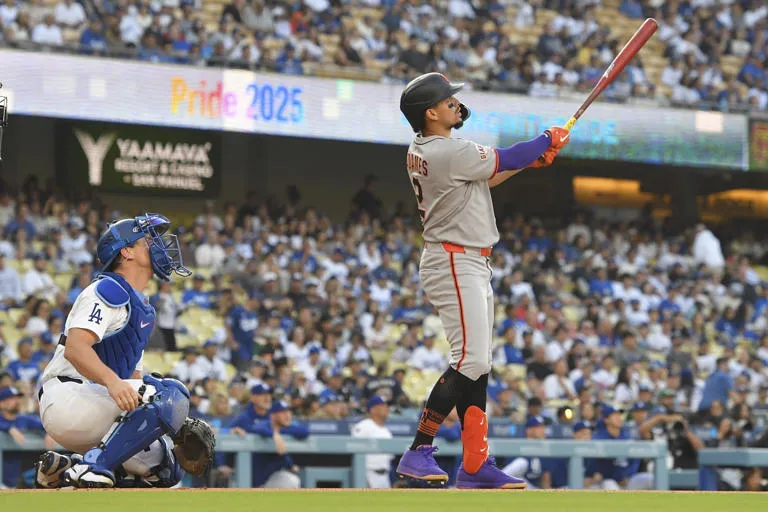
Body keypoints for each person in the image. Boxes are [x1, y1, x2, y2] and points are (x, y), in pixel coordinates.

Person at [394, 73, 568, 490]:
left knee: (478, 364)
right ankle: (418, 450)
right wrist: (546, 139)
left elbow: (486, 176)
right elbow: (506, 156)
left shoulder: (430, 148)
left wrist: (531, 160)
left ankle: (475, 464)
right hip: (455, 260)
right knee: (470, 361)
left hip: (463, 259)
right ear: (429, 113)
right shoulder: (447, 150)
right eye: (447, 100)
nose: (455, 103)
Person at [33, 213, 212, 489]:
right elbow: (75, 349)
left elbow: (133, 381)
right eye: (148, 240)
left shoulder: (142, 307)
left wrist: (173, 423)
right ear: (126, 251)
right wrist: (114, 383)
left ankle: (67, 468)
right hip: (69, 397)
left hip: (97, 405)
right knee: (171, 393)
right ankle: (94, 466)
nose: (157, 245)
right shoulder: (107, 289)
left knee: (167, 469)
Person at [0, 386, 57, 488]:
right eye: (11, 399)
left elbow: (46, 425)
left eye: (17, 398)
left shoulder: (24, 419)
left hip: (19, 477)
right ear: (1, 403)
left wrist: (48, 433)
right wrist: (9, 428)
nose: (16, 401)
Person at [251, 400, 309, 488]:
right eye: (283, 412)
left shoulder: (288, 429)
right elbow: (256, 428)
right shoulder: (265, 425)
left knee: (291, 480)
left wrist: (279, 433)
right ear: (273, 415)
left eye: (289, 412)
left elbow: (304, 431)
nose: (288, 415)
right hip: (254, 480)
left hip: (270, 480)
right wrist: (273, 434)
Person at [350, 395, 394, 489]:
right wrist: (363, 479)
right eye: (382, 406)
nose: (386, 408)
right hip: (369, 474)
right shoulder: (364, 426)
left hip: (385, 475)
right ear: (372, 410)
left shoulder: (386, 431)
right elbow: (354, 452)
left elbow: (389, 459)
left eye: (386, 406)